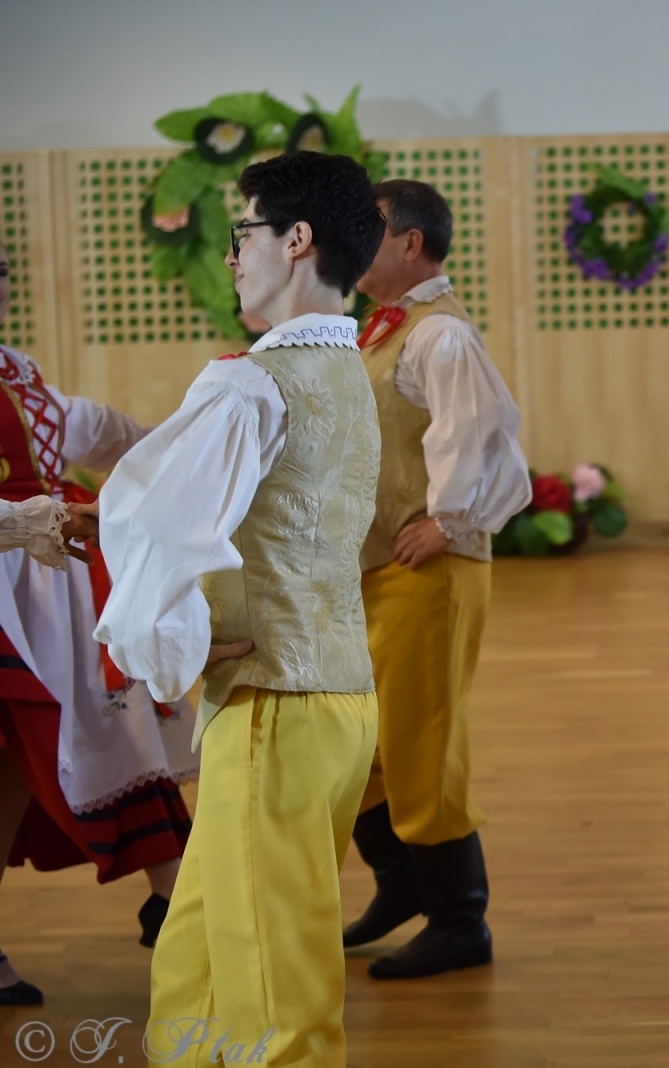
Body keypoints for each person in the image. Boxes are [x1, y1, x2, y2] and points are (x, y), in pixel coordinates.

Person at [93, 150, 385, 1066]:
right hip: (342, 701)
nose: (232, 256)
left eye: (243, 232)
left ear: (296, 240)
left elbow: (157, 532)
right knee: (205, 954)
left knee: (269, 992)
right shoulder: (352, 376)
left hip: (272, 706)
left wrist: (173, 649)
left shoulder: (250, 383)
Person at [339, 179, 529, 980]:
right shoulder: (385, 331)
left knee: (421, 740)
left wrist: (448, 519)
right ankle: (403, 887)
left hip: (431, 564)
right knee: (367, 745)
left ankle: (460, 920)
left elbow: (480, 435)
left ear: (410, 243)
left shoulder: (438, 336)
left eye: (368, 232)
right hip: (385, 565)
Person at [0, 241, 199, 1007]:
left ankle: (176, 903)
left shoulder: (20, 374)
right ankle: (177, 902)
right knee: (73, 738)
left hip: (48, 600)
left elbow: (109, 432)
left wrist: (196, 461)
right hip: (19, 598)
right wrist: (37, 521)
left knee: (43, 757)